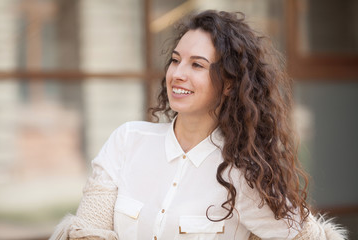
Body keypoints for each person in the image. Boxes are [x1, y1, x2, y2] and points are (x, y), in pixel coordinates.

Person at [50, 10, 347, 240]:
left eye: (197, 65)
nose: (178, 74)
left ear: (230, 83)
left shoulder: (244, 173)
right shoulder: (127, 142)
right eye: (175, 60)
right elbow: (88, 231)